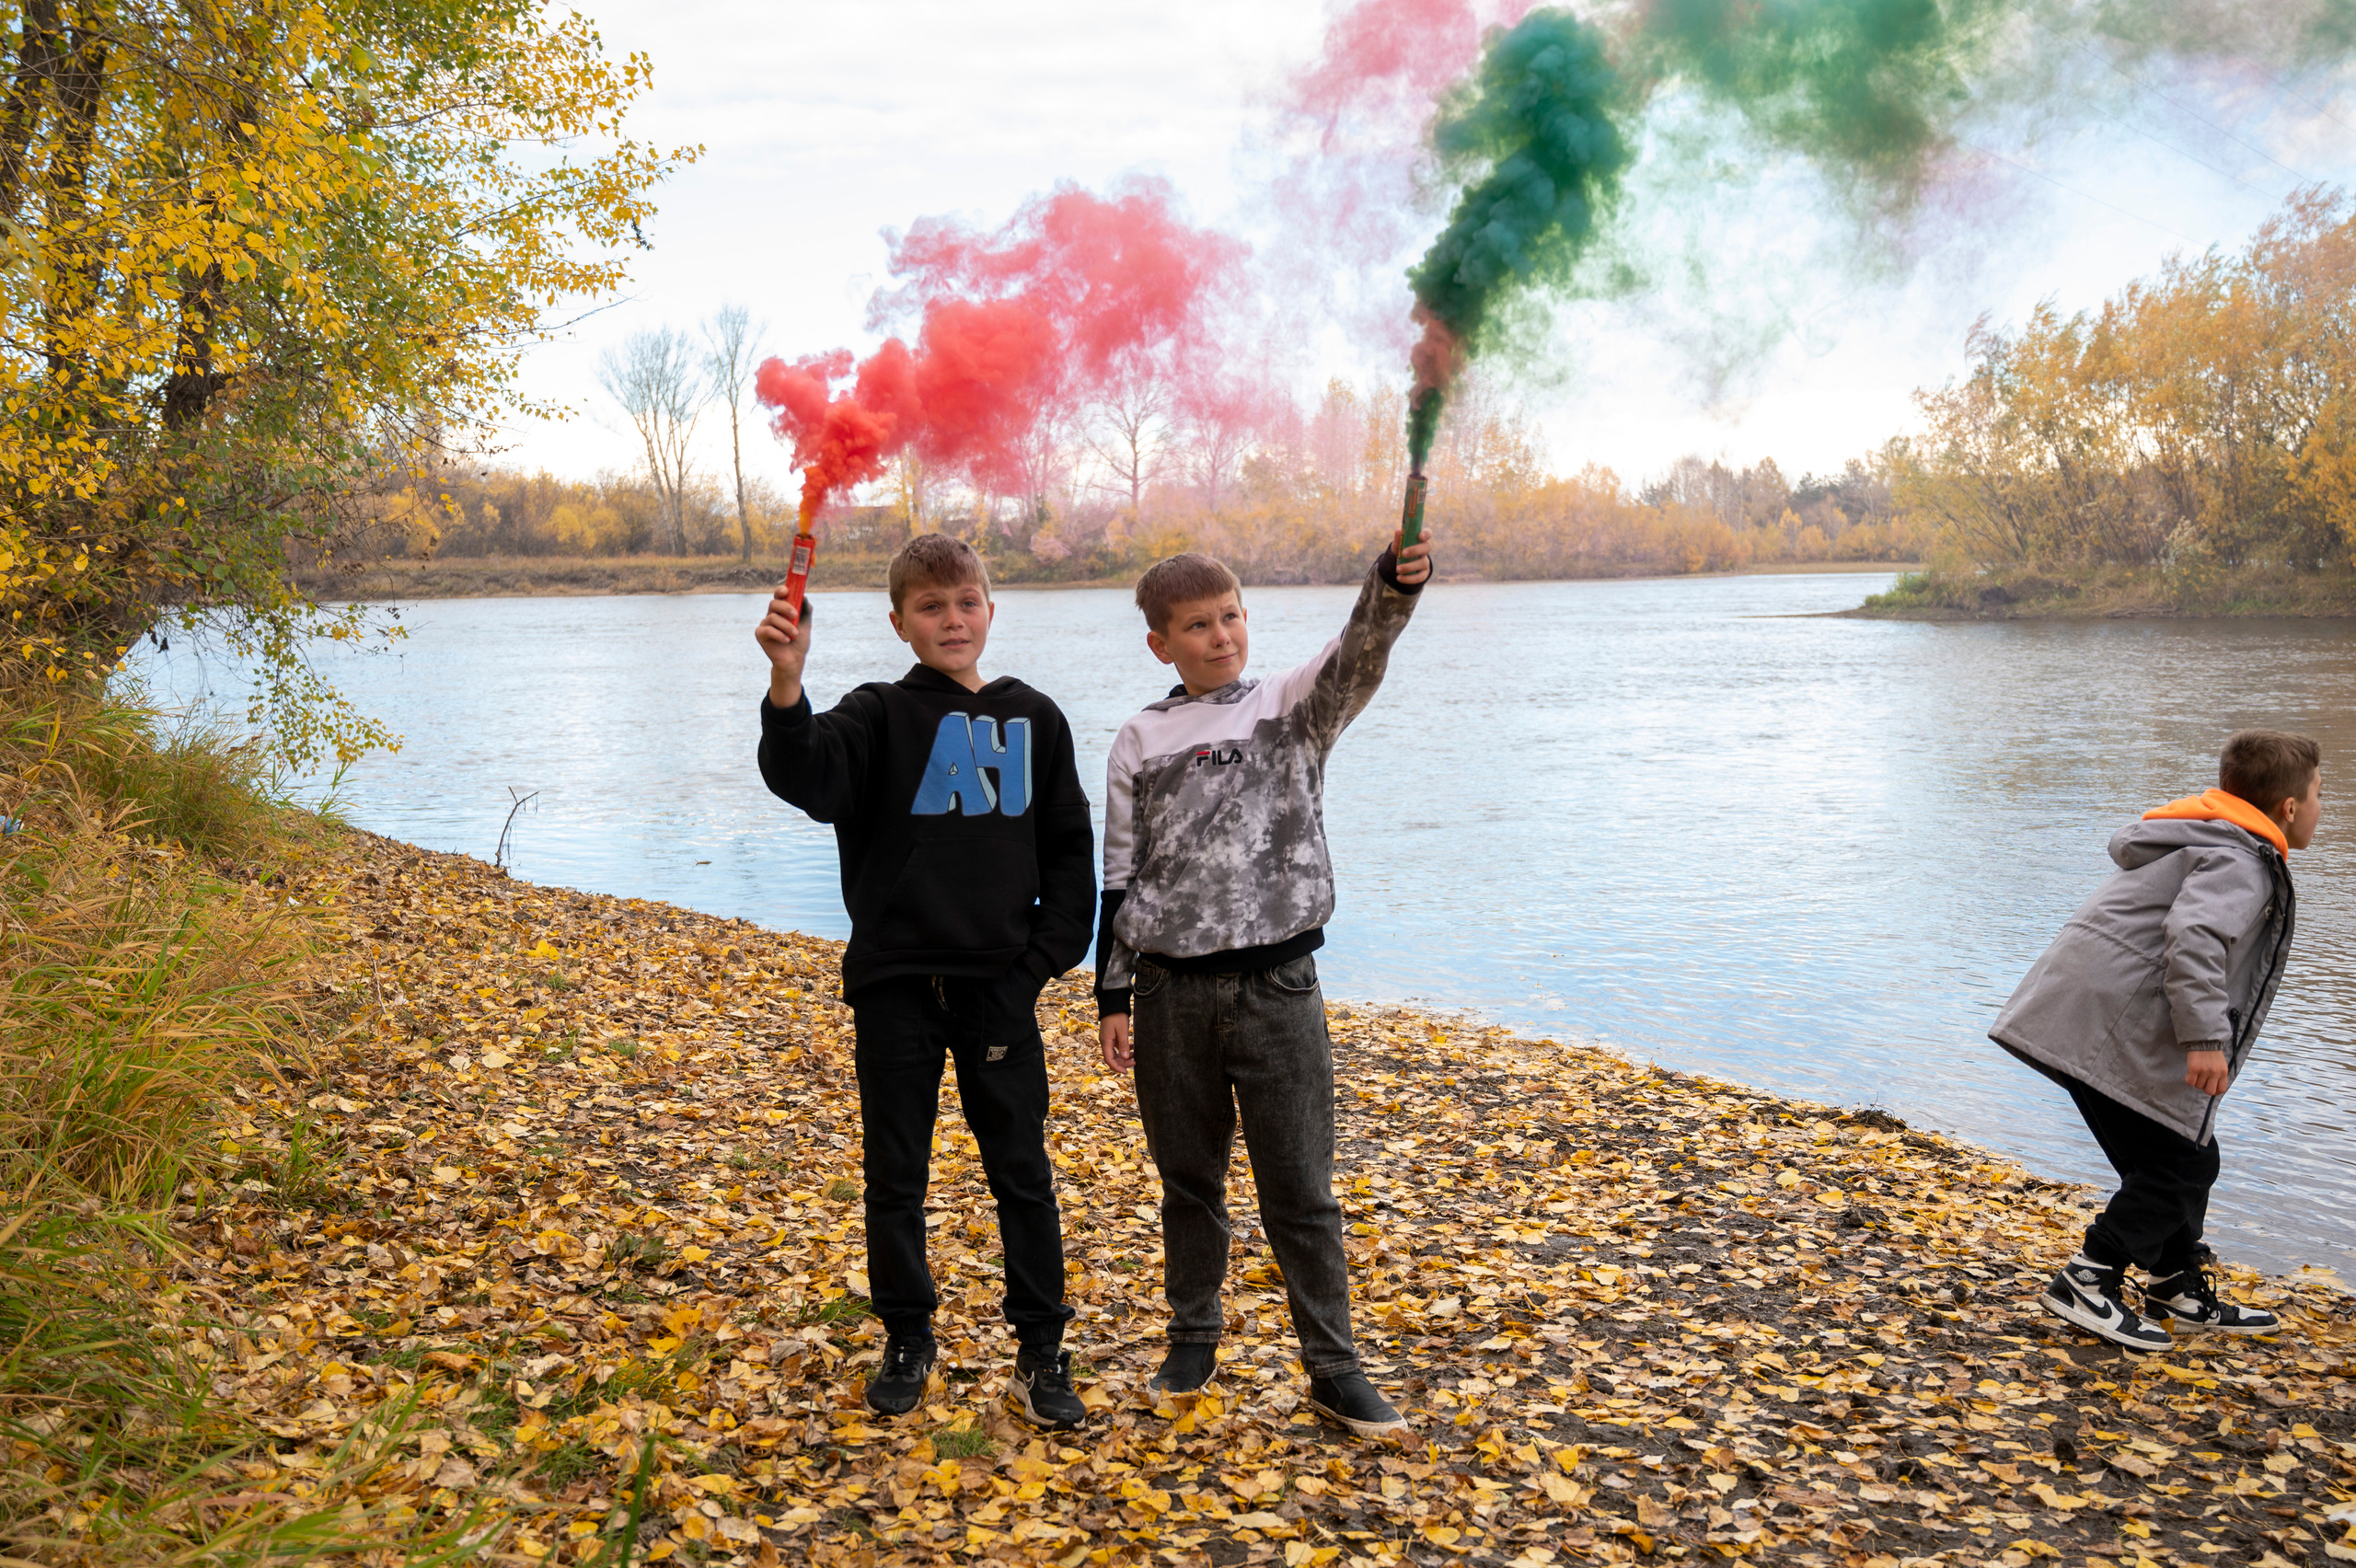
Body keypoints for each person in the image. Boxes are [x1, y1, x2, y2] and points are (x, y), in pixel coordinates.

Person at [1094, 525, 1433, 1437]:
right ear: (1161, 643)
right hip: (1169, 998)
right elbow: (1120, 875)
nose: (1220, 636)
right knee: (1189, 1183)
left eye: (1231, 616)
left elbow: (1361, 651)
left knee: (1301, 1191)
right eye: (1196, 625)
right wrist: (1113, 995)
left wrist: (1391, 585)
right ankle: (1191, 1342)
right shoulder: (1139, 737)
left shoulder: (1290, 707)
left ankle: (1334, 1369)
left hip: (1278, 990)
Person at [755, 534, 1096, 1429]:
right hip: (896, 985)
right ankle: (907, 1335)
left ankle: (1041, 1351)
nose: (953, 619)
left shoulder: (1035, 719)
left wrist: (1031, 971)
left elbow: (1068, 860)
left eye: (968, 602)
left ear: (990, 609)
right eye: (933, 607)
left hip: (999, 988)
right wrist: (788, 683)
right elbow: (805, 777)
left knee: (1020, 1173)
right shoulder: (874, 715)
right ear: (900, 622)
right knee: (895, 1176)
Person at [1992, 729, 2320, 1351]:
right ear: (2288, 808)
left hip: (2089, 1013)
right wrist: (2204, 1039)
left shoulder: (2212, 839)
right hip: (2109, 1022)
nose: (2322, 809)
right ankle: (2090, 1278)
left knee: (2171, 1152)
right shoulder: (2241, 859)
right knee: (2184, 1161)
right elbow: (2195, 937)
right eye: (2319, 796)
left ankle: (2174, 1282)